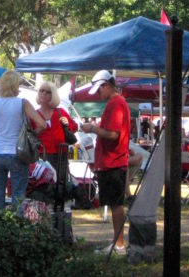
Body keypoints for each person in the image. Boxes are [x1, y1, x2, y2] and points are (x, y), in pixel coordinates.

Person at [0, 70, 46, 209]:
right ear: (15, 86)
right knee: (18, 198)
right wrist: (30, 136)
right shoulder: (23, 103)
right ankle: (17, 227)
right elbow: (43, 124)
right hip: (17, 153)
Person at [80, 70, 131, 256]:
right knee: (113, 203)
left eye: (99, 90)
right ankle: (117, 243)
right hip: (111, 161)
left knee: (116, 205)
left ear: (106, 85)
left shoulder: (116, 104)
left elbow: (113, 134)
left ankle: (119, 245)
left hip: (113, 162)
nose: (99, 95)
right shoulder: (116, 103)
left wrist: (92, 128)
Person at [33, 81, 78, 170]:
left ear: (53, 95)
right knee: (42, 183)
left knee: (60, 183)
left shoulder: (60, 112)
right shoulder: (34, 114)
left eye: (48, 92)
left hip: (61, 155)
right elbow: (30, 134)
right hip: (41, 155)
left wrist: (67, 124)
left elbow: (74, 127)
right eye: (41, 91)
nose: (44, 94)